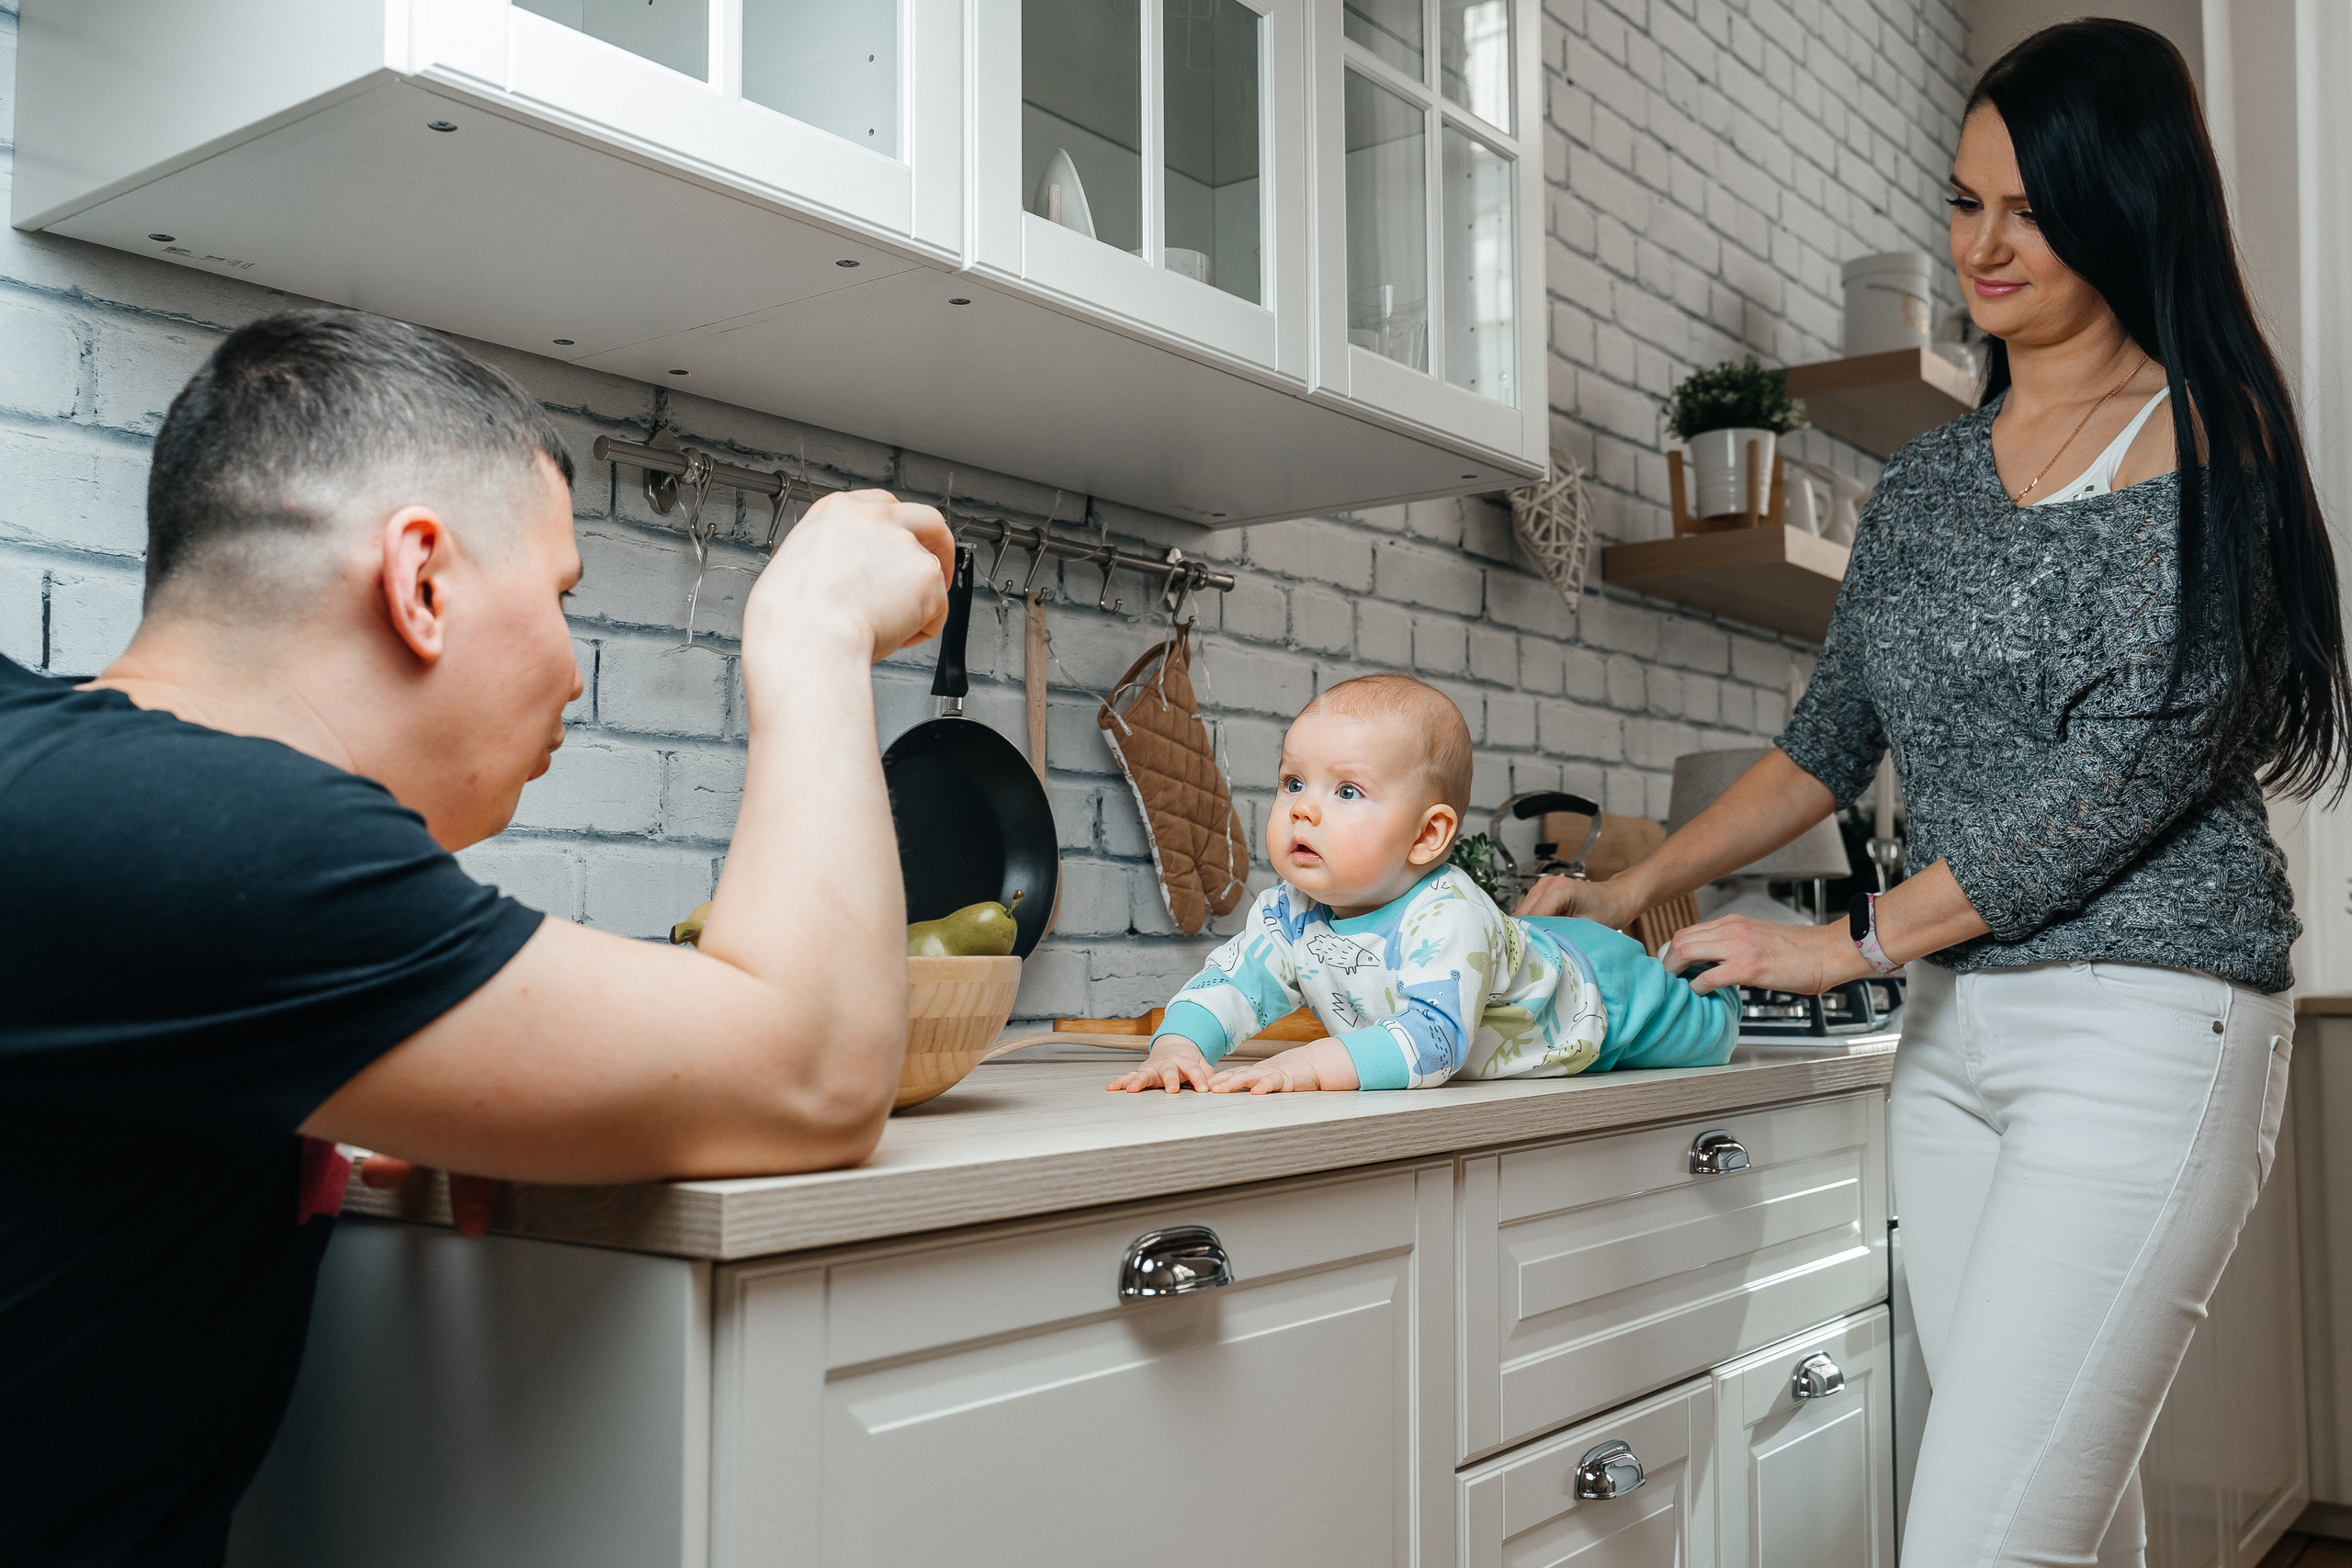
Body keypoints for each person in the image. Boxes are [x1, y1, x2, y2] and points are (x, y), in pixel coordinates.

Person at [1518, 21, 2348, 1567]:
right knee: (2059, 1524)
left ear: (2125, 203)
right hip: (1958, 1042)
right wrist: (1634, 885)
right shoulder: (1927, 486)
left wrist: (1853, 940)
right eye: (1965, 202)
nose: (1984, 242)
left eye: (2028, 208)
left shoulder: (2209, 437)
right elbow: (1820, 743)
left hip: (2148, 1032)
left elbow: (2130, 775)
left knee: (1977, 1543)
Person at [0, 310, 953, 1565]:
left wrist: (410, 1070)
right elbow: (819, 1060)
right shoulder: (216, 837)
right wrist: (815, 630)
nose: (574, 670)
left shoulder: (89, 804)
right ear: (424, 581)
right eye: (561, 595)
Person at [1108, 673, 1736, 1094]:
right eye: (1293, 782)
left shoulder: (1448, 912)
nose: (1302, 808)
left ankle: (1691, 961)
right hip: (1517, 946)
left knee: (1711, 1035)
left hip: (1595, 997)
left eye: (1347, 790)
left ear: (1427, 836)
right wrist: (1177, 1048)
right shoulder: (1290, 912)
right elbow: (1232, 983)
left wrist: (1306, 1065)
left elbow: (1436, 1041)